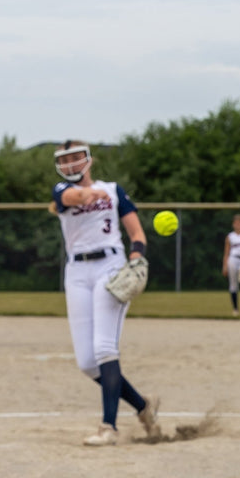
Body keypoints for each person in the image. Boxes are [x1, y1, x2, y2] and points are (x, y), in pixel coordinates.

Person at [51, 140, 162, 446]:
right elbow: (73, 196)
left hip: (110, 267)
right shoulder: (61, 191)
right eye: (66, 159)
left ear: (88, 160)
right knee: (87, 363)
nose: (71, 164)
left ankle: (108, 428)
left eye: (76, 158)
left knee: (103, 349)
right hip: (76, 273)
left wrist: (137, 256)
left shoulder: (113, 190)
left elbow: (136, 233)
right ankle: (142, 406)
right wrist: (88, 193)